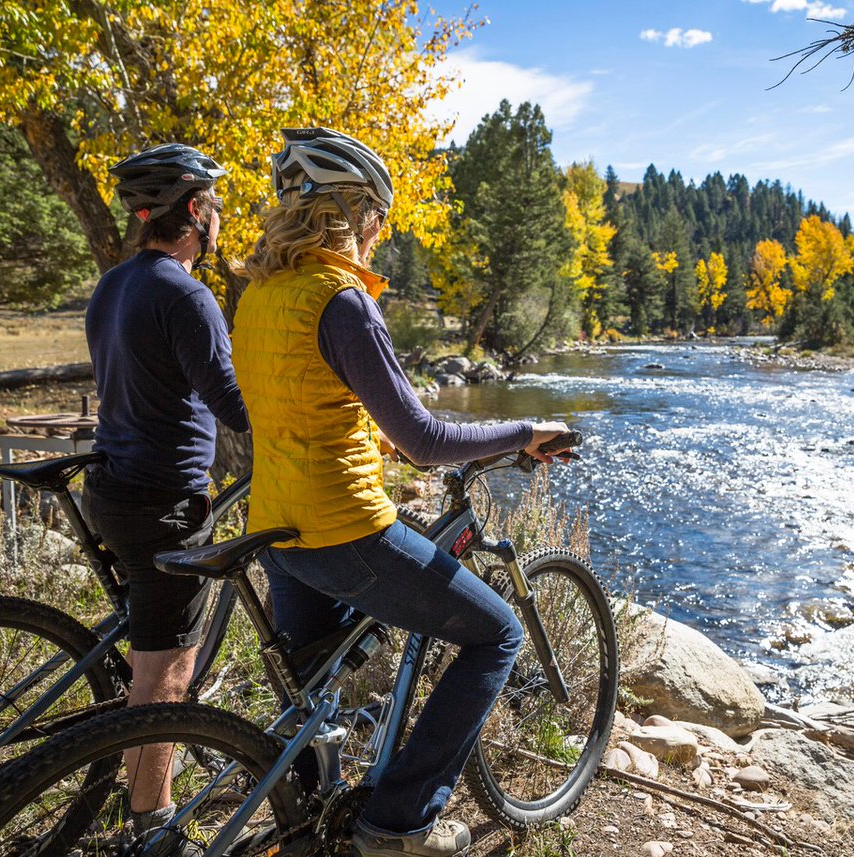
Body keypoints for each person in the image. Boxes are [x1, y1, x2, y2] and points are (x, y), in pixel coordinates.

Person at [231, 128, 572, 857]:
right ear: (354, 214)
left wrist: (373, 439)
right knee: (496, 634)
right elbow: (427, 439)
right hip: (341, 529)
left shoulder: (259, 293)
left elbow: (301, 403)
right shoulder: (341, 300)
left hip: (278, 531)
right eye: (376, 217)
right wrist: (523, 432)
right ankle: (401, 822)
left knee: (315, 694)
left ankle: (307, 828)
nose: (378, 235)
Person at [83, 143, 250, 851]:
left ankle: (135, 779)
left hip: (112, 487)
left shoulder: (113, 284)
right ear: (192, 212)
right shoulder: (187, 294)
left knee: (147, 648)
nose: (218, 219)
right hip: (163, 503)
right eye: (212, 205)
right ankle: (152, 826)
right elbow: (233, 405)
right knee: (164, 673)